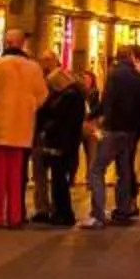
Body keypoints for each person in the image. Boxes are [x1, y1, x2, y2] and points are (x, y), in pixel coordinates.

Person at [0, 31, 46, 230]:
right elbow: (42, 96)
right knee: (16, 175)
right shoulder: (34, 68)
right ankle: (15, 216)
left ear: (8, 43)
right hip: (21, 129)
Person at [88, 45, 140, 228]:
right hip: (131, 131)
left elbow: (107, 101)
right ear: (131, 57)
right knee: (124, 171)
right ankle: (124, 210)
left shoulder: (114, 75)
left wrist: (93, 116)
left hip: (114, 129)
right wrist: (139, 131)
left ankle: (99, 213)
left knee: (96, 169)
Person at [34, 56, 86, 226]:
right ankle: (62, 212)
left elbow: (58, 119)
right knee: (59, 179)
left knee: (58, 180)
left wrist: (47, 128)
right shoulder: (75, 95)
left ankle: (63, 214)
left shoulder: (68, 97)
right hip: (67, 142)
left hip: (61, 143)